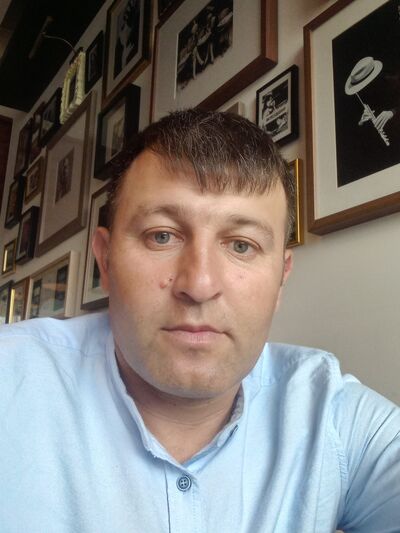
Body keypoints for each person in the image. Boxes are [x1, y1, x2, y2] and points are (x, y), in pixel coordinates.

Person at [0, 109, 399, 532]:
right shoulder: (13, 377)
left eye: (241, 245)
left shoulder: (332, 415)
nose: (200, 284)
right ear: (105, 260)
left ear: (281, 278)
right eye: (162, 236)